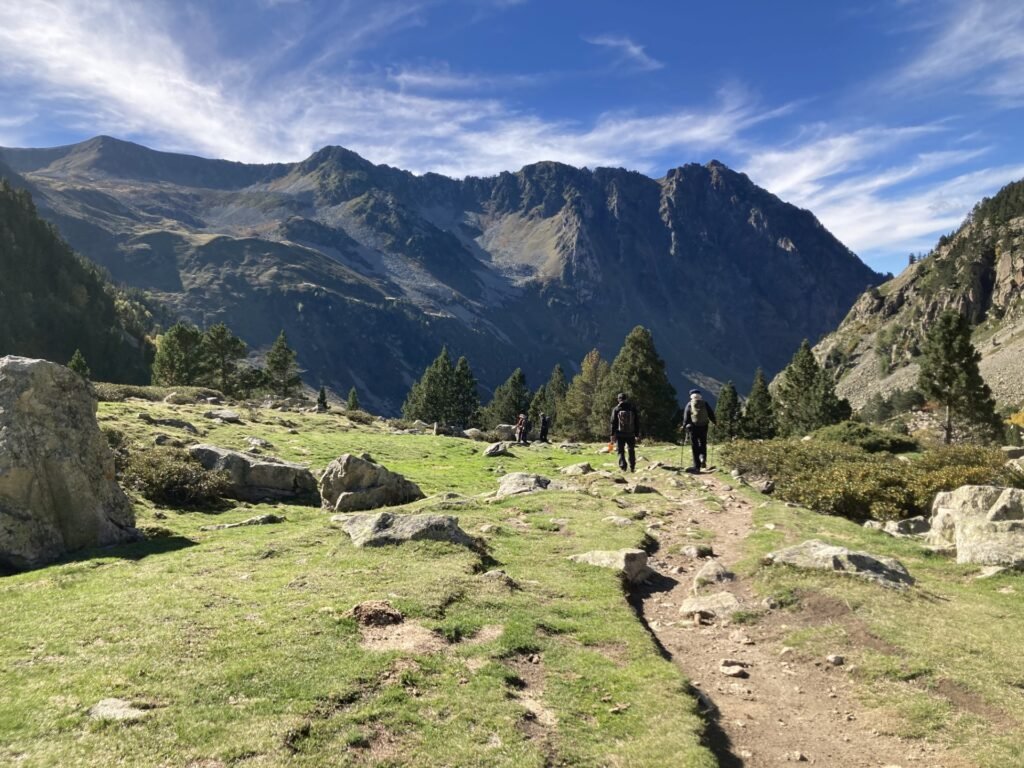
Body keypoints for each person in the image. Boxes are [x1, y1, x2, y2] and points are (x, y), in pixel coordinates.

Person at [682, 388, 716, 472]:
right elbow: (711, 413)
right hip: (704, 426)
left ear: (691, 396)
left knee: (695, 445)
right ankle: (703, 458)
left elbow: (686, 417)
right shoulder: (705, 403)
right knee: (703, 443)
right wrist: (715, 422)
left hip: (693, 427)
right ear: (700, 396)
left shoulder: (689, 404)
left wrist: (683, 426)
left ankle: (696, 466)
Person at [610, 392, 639, 472]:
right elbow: (637, 421)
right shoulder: (632, 408)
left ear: (618, 399)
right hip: (631, 434)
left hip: (620, 434)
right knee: (631, 450)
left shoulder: (616, 409)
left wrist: (612, 434)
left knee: (620, 451)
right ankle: (632, 467)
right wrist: (637, 434)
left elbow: (613, 422)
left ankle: (623, 467)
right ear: (626, 399)